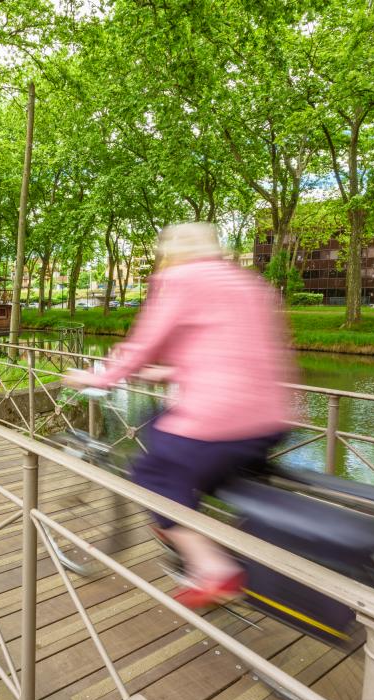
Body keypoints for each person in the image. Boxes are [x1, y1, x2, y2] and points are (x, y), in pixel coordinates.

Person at [64, 222, 295, 609]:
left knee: (150, 473)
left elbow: (145, 342)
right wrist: (171, 372)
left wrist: (99, 376)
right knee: (168, 434)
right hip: (271, 420)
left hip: (218, 421)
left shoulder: (180, 278)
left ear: (172, 252)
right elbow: (237, 351)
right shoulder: (250, 283)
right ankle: (214, 533)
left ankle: (212, 567)